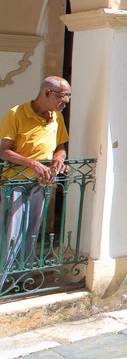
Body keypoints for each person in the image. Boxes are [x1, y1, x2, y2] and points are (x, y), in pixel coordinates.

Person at [0, 76, 70, 287]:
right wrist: (33, 164)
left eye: (67, 98)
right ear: (46, 93)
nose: (65, 102)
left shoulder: (57, 117)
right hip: (16, 183)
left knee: (31, 233)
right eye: (62, 97)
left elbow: (61, 147)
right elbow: (4, 151)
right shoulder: (17, 113)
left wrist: (58, 159)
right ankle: (3, 282)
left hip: (41, 184)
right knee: (11, 234)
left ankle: (22, 279)